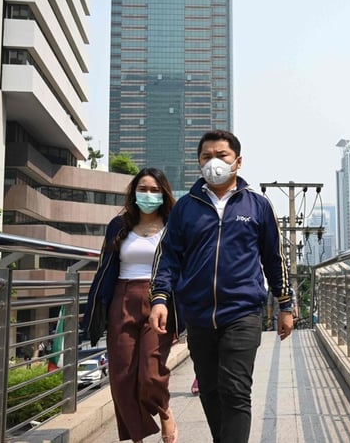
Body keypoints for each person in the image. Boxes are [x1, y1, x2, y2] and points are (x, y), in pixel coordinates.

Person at [149, 129, 294, 443]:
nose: (213, 162)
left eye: (221, 156)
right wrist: (159, 298)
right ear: (198, 163)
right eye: (206, 157)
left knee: (235, 389)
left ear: (237, 161)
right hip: (198, 315)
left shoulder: (258, 206)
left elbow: (274, 257)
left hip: (242, 312)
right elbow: (168, 256)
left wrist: (285, 304)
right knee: (211, 392)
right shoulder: (186, 208)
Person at [81, 168, 180, 443]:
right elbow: (104, 268)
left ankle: (164, 409)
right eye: (143, 189)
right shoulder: (119, 224)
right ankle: (137, 437)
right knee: (122, 377)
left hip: (160, 300)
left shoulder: (173, 225)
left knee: (150, 373)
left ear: (164, 194)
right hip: (122, 298)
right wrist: (94, 308)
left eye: (154, 190)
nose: (148, 195)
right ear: (134, 192)